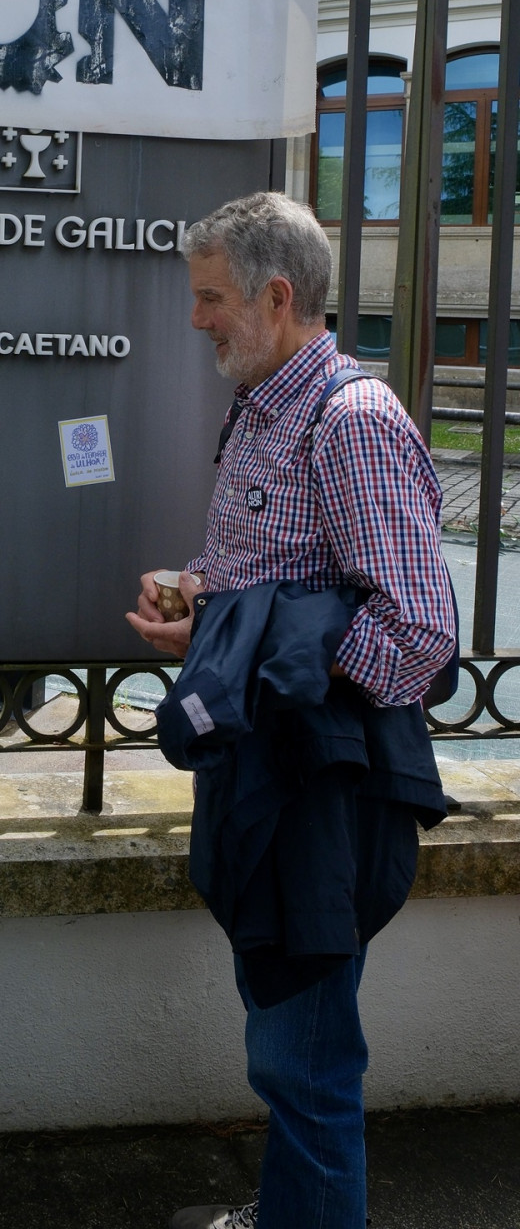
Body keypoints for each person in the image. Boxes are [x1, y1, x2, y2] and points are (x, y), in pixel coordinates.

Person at [126, 192, 456, 1229]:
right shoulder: (265, 404)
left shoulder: (351, 422)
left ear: (276, 297)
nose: (196, 318)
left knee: (305, 1059)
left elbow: (419, 635)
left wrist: (257, 648)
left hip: (320, 795)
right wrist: (210, 620)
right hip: (268, 776)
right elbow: (287, 583)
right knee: (285, 1040)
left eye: (210, 297)